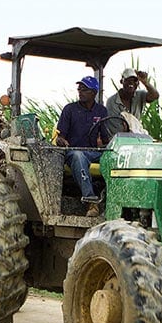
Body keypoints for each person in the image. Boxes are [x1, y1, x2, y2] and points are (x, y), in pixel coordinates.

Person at [56, 76, 108, 217]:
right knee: (79, 155)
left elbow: (105, 138)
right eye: (79, 89)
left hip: (93, 152)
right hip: (73, 152)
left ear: (94, 92)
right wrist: (61, 140)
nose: (80, 92)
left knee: (114, 156)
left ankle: (113, 199)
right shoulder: (70, 109)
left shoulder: (101, 111)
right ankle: (91, 201)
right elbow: (60, 136)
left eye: (84, 89)